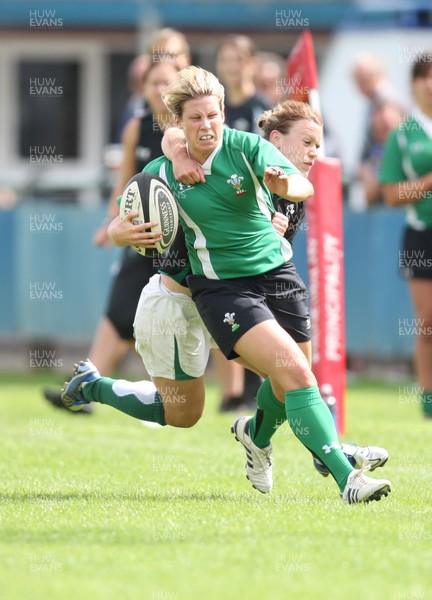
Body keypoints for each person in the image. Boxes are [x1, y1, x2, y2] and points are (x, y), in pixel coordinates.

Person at [62, 67, 391, 504]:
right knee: (183, 412)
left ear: (223, 113)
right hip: (196, 297)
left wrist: (285, 184)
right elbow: (121, 222)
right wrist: (123, 233)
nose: (206, 125)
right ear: (177, 123)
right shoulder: (161, 172)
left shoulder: (247, 147)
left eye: (213, 115)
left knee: (291, 376)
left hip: (271, 279)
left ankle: (260, 438)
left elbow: (299, 184)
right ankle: (94, 385)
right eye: (194, 118)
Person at [43, 56, 182, 412]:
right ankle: (85, 387)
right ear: (144, 89)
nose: (160, 90)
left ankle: (238, 395)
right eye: (153, 84)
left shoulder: (186, 129)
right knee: (118, 311)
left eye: (167, 83)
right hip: (140, 238)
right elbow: (124, 186)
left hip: (183, 243)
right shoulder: (137, 127)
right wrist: (111, 225)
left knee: (203, 316)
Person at [380, 52, 432, 420]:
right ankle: (428, 397)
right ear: (414, 84)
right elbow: (392, 195)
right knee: (427, 320)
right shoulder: (404, 134)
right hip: (421, 234)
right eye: (423, 76)